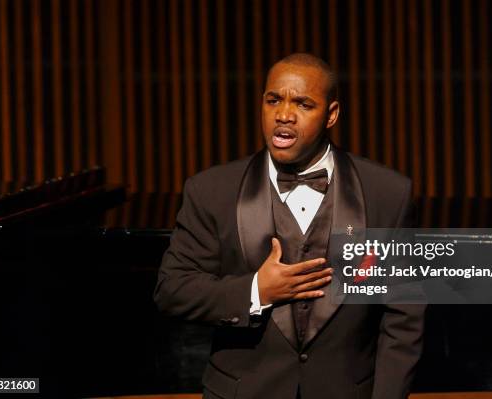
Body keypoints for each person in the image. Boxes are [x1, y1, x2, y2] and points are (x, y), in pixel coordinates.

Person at [154, 53, 425, 399]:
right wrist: (256, 291)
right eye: (273, 100)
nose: (283, 115)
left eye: (303, 103)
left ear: (331, 114)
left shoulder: (387, 193)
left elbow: (403, 317)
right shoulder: (211, 190)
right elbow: (173, 289)